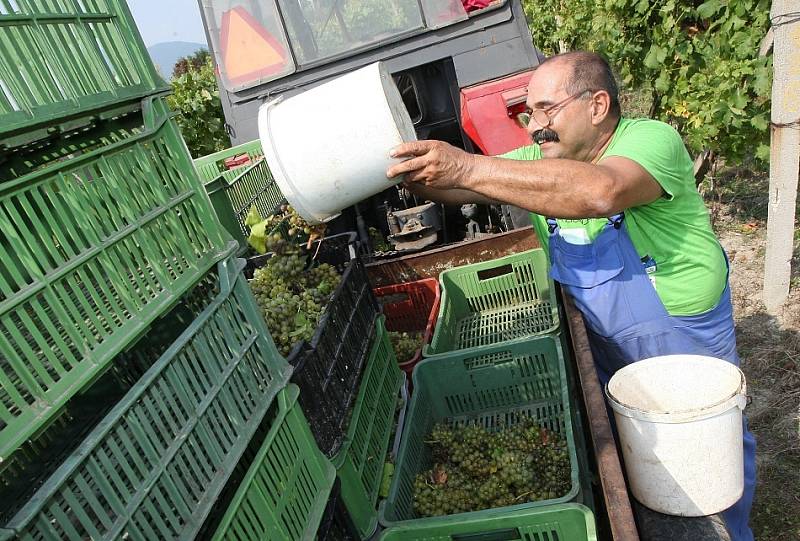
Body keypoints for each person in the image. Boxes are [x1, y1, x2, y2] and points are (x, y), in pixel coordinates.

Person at [386, 51, 755, 541]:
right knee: (645, 452)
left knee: (706, 451)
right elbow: (467, 186)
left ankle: (730, 528)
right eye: (528, 114)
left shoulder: (649, 141)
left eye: (545, 110)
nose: (534, 127)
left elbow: (601, 192)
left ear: (597, 105)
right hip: (608, 338)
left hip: (677, 335)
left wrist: (469, 168)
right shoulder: (543, 164)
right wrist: (427, 173)